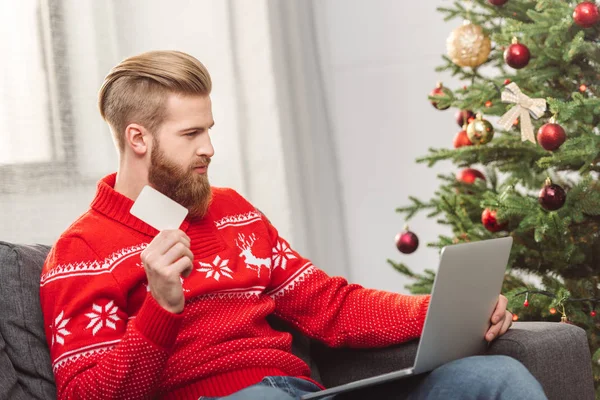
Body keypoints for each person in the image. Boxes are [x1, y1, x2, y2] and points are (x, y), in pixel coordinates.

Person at [40, 50, 547, 400]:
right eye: (191, 134)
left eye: (209, 131)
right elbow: (91, 395)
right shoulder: (82, 251)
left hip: (300, 390)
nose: (209, 149)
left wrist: (447, 313)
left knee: (496, 377)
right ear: (138, 139)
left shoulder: (233, 211)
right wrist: (160, 308)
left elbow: (332, 306)